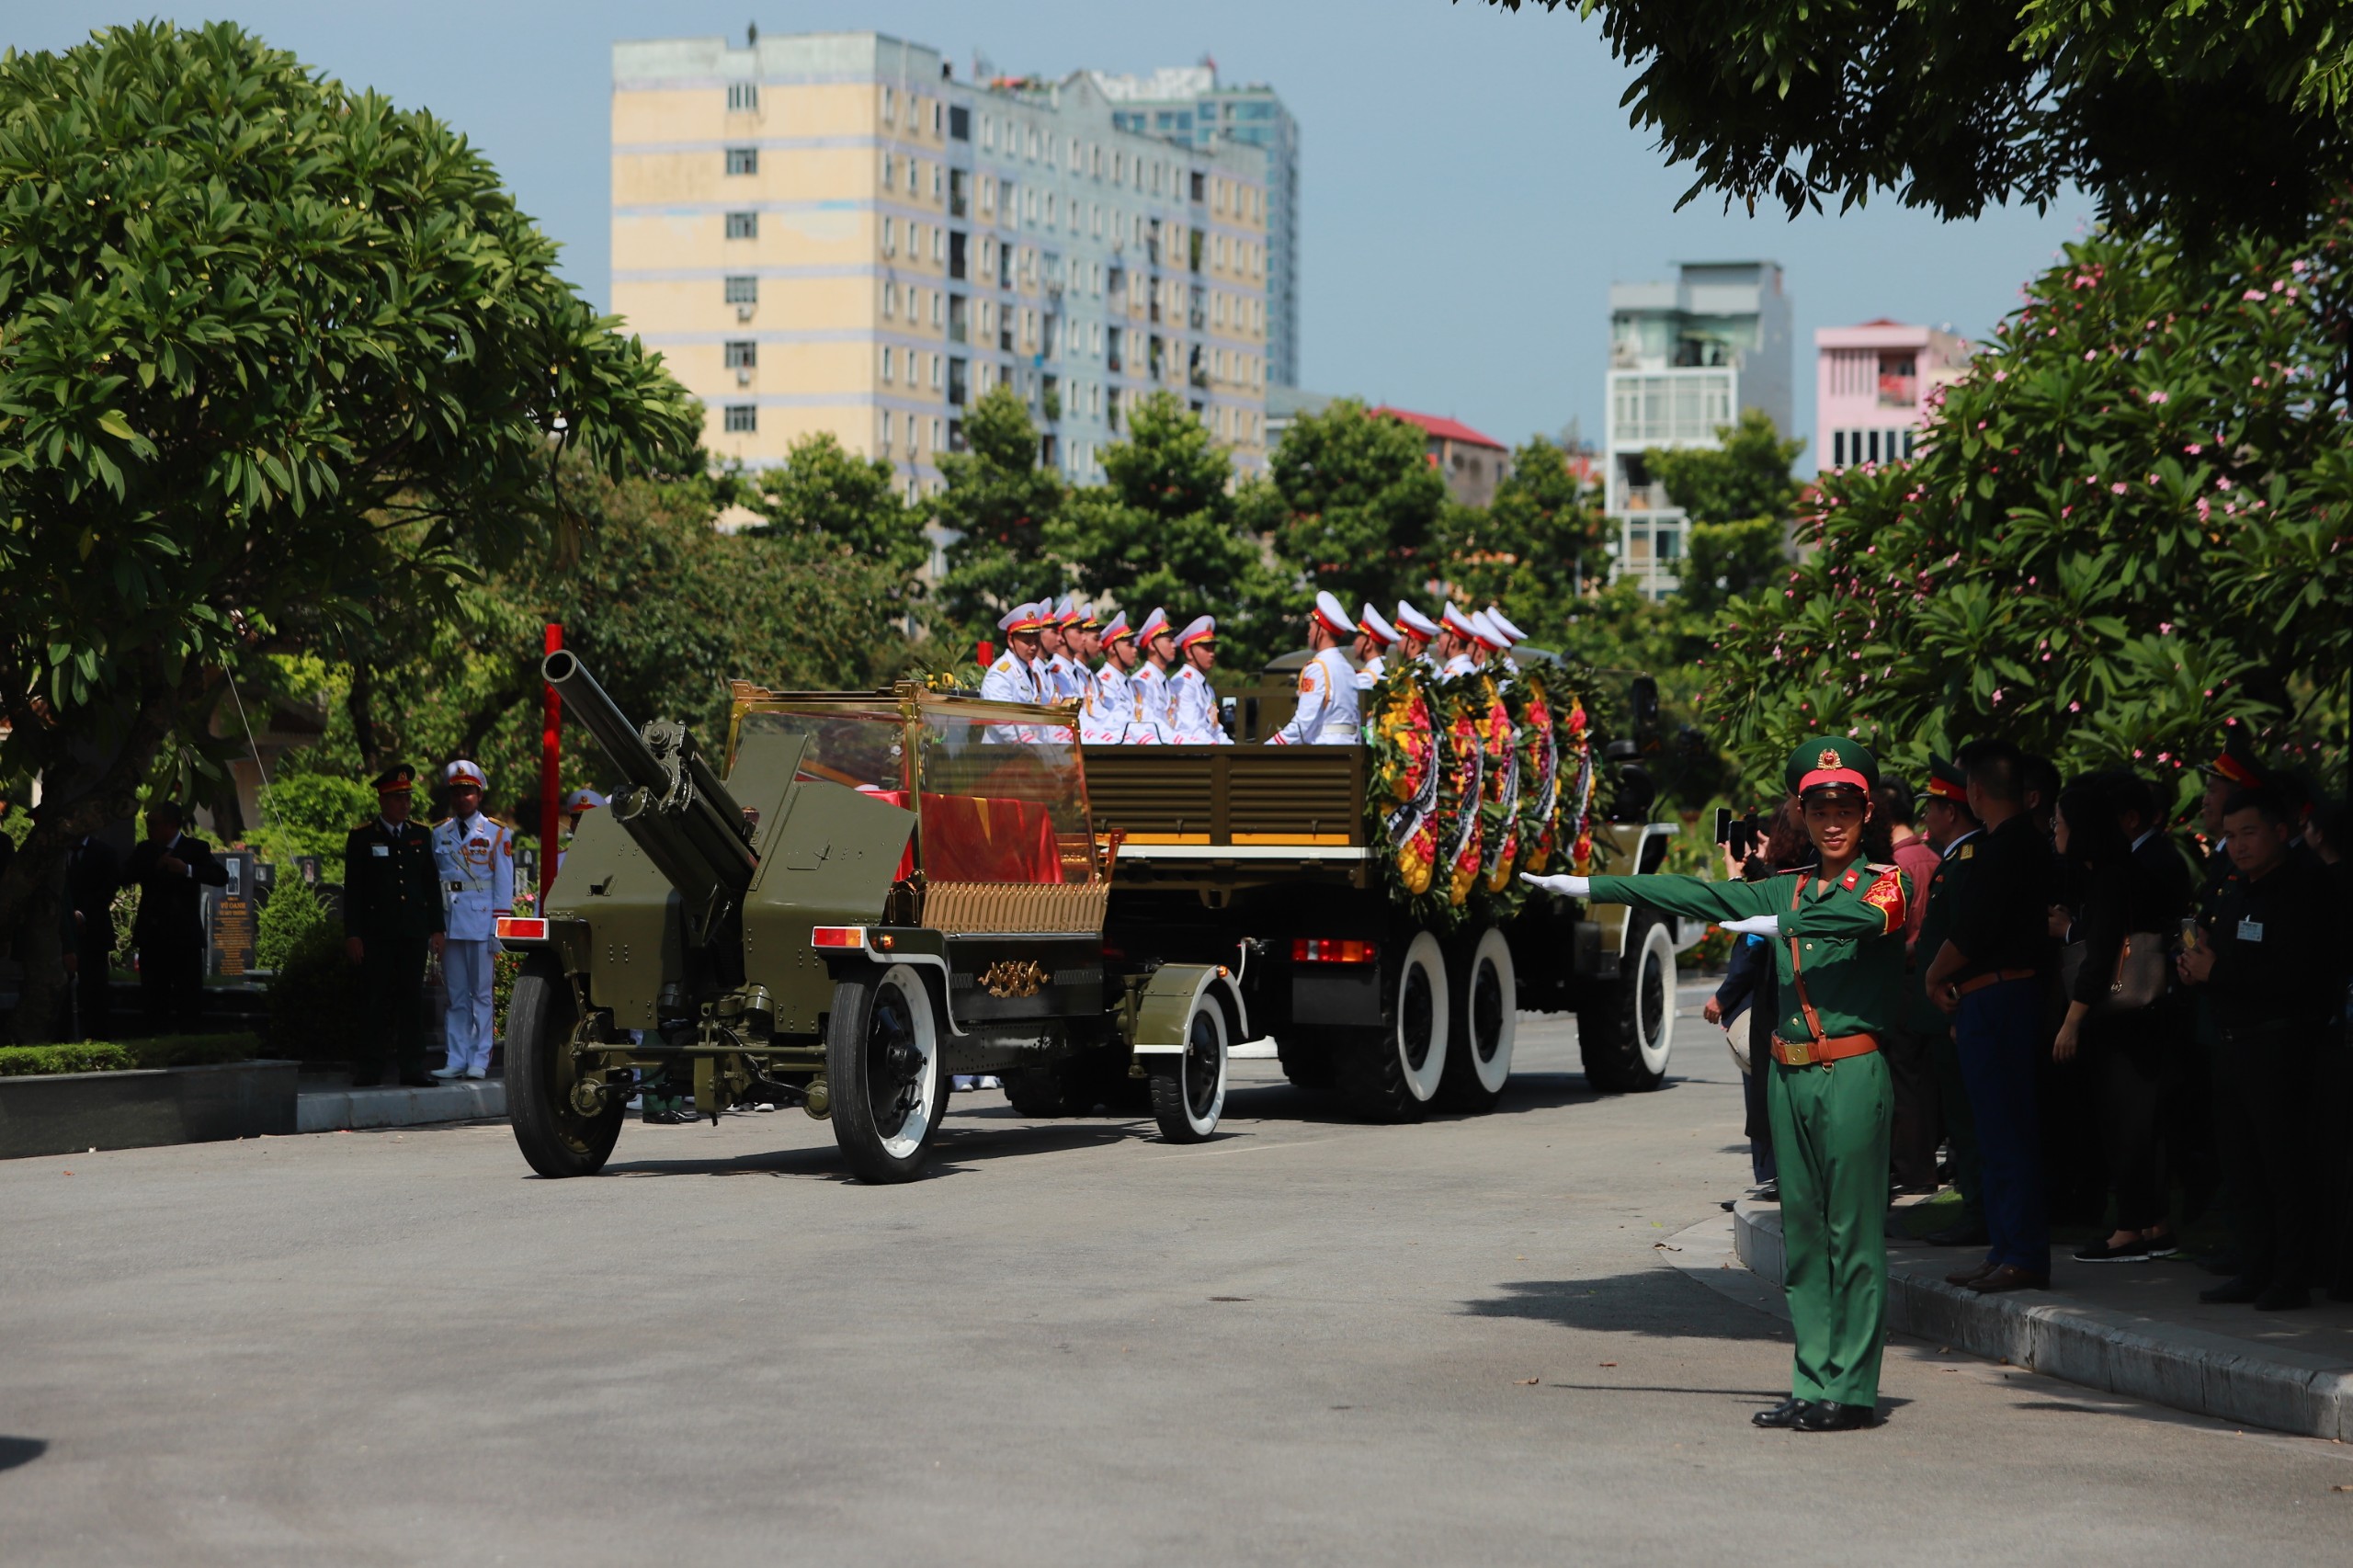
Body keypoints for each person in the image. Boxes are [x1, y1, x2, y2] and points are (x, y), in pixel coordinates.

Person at [1526, 736, 1911, 1433]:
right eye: (1820, 806)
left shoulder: (1884, 880)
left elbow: (1871, 919)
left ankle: (1852, 1392)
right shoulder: (1786, 882)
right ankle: (1812, 1380)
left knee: (1851, 1237)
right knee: (1802, 1237)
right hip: (1788, 1074)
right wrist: (1590, 885)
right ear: (1802, 809)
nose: (1833, 821)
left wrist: (1783, 923)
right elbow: (1695, 894)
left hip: (1852, 1072)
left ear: (1866, 811)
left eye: (1846, 807)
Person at [2178, 788, 2343, 1310]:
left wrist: (2218, 971)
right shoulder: (2233, 889)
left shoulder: (2303, 887)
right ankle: (2255, 1268)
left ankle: (2290, 1277)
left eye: (2249, 833)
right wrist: (2199, 966)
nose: (2239, 846)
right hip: (2232, 1043)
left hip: (2281, 1044)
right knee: (2241, 1166)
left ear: (2280, 830)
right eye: (2230, 836)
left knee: (2284, 1165)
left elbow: (2301, 976)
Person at [1925, 739, 2057, 1293]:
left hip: (2002, 1000)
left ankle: (2021, 1251)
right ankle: (2005, 1247)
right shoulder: (2020, 842)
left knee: (2007, 1132)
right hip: (1993, 999)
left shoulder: (2006, 848)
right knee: (1995, 1130)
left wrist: (1934, 975)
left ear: (1976, 793)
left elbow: (1972, 931)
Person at [2051, 780, 2182, 1263]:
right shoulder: (2119, 871)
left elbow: (2102, 953)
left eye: (2060, 824)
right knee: (2142, 1122)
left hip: (2121, 1018)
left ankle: (2130, 1227)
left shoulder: (2109, 876)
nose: (2055, 833)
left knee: (2125, 1122)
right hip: (2141, 1017)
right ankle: (2152, 1223)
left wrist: (2072, 1021)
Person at [1910, 756, 1988, 1246]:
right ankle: (1974, 1208)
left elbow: (1965, 938)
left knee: (1969, 1122)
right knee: (1960, 1123)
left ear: (1952, 812)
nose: (1926, 819)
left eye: (1932, 808)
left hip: (1956, 1011)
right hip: (1945, 1014)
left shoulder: (1967, 861)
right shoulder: (1952, 863)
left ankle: (1978, 1213)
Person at [342, 765, 446, 1088]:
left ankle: (412, 1066)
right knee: (374, 999)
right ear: (382, 800)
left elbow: (430, 884)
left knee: (411, 1000)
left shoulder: (419, 834)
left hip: (412, 931)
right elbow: (354, 890)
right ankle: (371, 1066)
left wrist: (437, 928)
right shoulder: (362, 837)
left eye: (407, 797)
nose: (405, 804)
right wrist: (353, 934)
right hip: (378, 933)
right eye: (398, 798)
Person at [1874, 775, 1945, 1194]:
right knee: (1920, 1077)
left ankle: (1915, 1172)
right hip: (1929, 976)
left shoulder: (1896, 865)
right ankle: (1920, 1167)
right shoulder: (1931, 855)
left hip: (1904, 975)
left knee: (1903, 1081)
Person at [430, 760, 515, 1082]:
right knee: (456, 995)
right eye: (457, 792)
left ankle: (479, 1057)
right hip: (451, 920)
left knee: (481, 994)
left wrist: (499, 927)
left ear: (479, 795)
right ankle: (456, 1057)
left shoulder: (495, 832)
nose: (463, 797)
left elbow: (504, 884)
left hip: (481, 922)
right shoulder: (440, 833)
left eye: (468, 791)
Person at [120, 801, 228, 1034]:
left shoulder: (195, 848)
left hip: (184, 939)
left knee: (188, 1000)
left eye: (153, 824)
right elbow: (125, 876)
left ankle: (189, 1048)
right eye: (147, 824)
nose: (149, 829)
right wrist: (153, 866)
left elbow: (220, 876)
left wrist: (187, 870)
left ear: (170, 825)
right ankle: (155, 1046)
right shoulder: (146, 850)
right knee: (153, 999)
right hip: (152, 936)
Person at [1269, 592, 1362, 745]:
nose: (1308, 633)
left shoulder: (1318, 667)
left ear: (1322, 631)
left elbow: (1303, 722)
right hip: (1350, 748)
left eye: (1311, 627)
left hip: (1325, 750)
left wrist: (1270, 746)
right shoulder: (1347, 668)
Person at [65, 830, 121, 1040]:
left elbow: (108, 889)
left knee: (95, 990)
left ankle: (98, 1038)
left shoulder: (104, 852)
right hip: (60, 933)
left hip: (94, 931)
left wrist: (81, 914)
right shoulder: (56, 852)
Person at [980, 602, 1045, 741]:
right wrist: (1035, 747)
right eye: (1027, 641)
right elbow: (1003, 721)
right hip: (1004, 755)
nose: (1033, 647)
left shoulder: (1031, 670)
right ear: (1011, 641)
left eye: (1037, 641)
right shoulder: (1000, 674)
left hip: (1029, 753)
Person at [1166, 616, 1229, 744]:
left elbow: (1215, 729)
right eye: (1206, 649)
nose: (1212, 654)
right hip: (1195, 755)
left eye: (1213, 649)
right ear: (1189, 653)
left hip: (1208, 751)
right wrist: (1218, 749)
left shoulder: (1206, 687)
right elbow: (1192, 729)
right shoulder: (1183, 683)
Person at [1129, 608, 1177, 743]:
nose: (1174, 645)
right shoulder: (1142, 682)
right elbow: (1148, 722)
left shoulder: (1168, 684)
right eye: (1168, 640)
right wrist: (1178, 739)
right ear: (1151, 645)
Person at [1353, 604, 1400, 691]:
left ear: (1369, 643)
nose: (1354, 642)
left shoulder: (1366, 678)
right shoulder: (1391, 671)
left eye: (1357, 636)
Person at [1436, 605, 1480, 676]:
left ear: (1453, 640)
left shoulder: (1455, 674)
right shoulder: (1464, 668)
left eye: (1439, 636)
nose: (1437, 642)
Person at [1393, 601, 1439, 669]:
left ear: (1412, 641)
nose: (1396, 639)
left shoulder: (1418, 672)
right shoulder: (1427, 666)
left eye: (1400, 634)